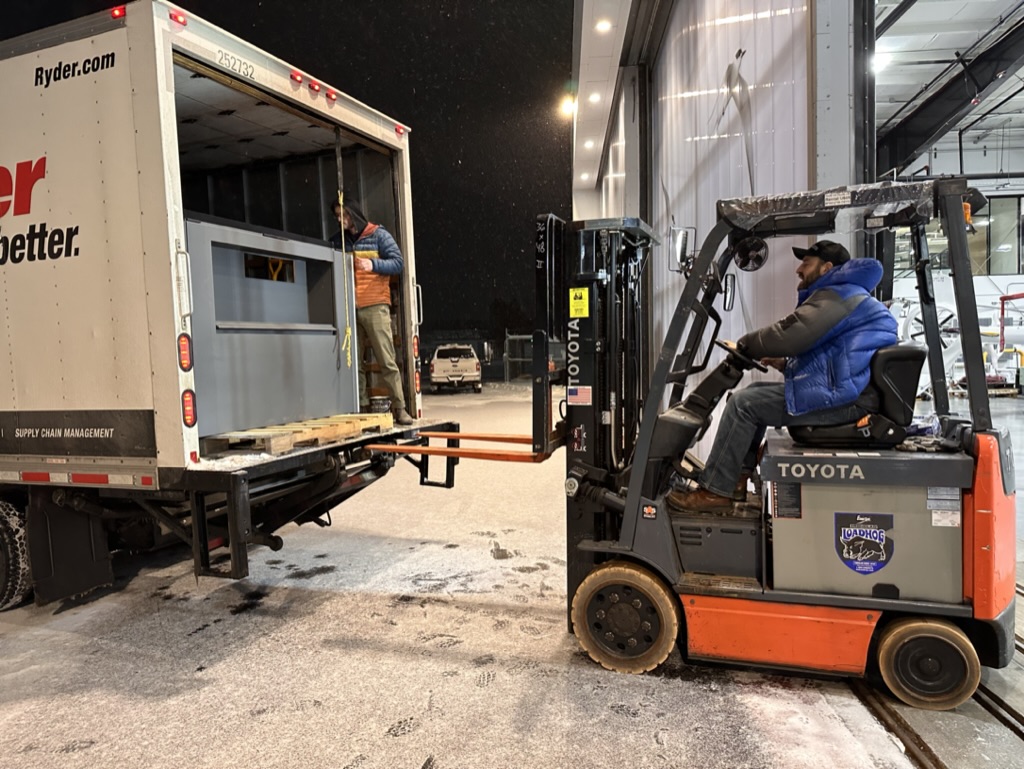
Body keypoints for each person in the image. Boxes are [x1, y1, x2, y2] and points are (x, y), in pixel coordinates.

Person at [668, 239, 898, 511]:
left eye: (806, 263)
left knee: (743, 405)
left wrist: (746, 344)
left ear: (826, 268)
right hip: (847, 392)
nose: (799, 270)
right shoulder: (845, 295)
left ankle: (715, 492)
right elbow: (831, 356)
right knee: (750, 395)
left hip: (849, 401)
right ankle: (736, 479)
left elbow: (791, 334)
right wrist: (785, 364)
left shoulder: (839, 296)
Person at [330, 199, 414, 426]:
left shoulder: (378, 235)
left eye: (343, 215)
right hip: (350, 309)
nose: (340, 219)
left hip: (375, 305)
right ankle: (362, 407)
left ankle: (400, 408)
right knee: (354, 363)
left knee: (386, 359)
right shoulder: (340, 240)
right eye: (337, 216)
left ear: (354, 214)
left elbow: (398, 263)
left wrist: (373, 265)